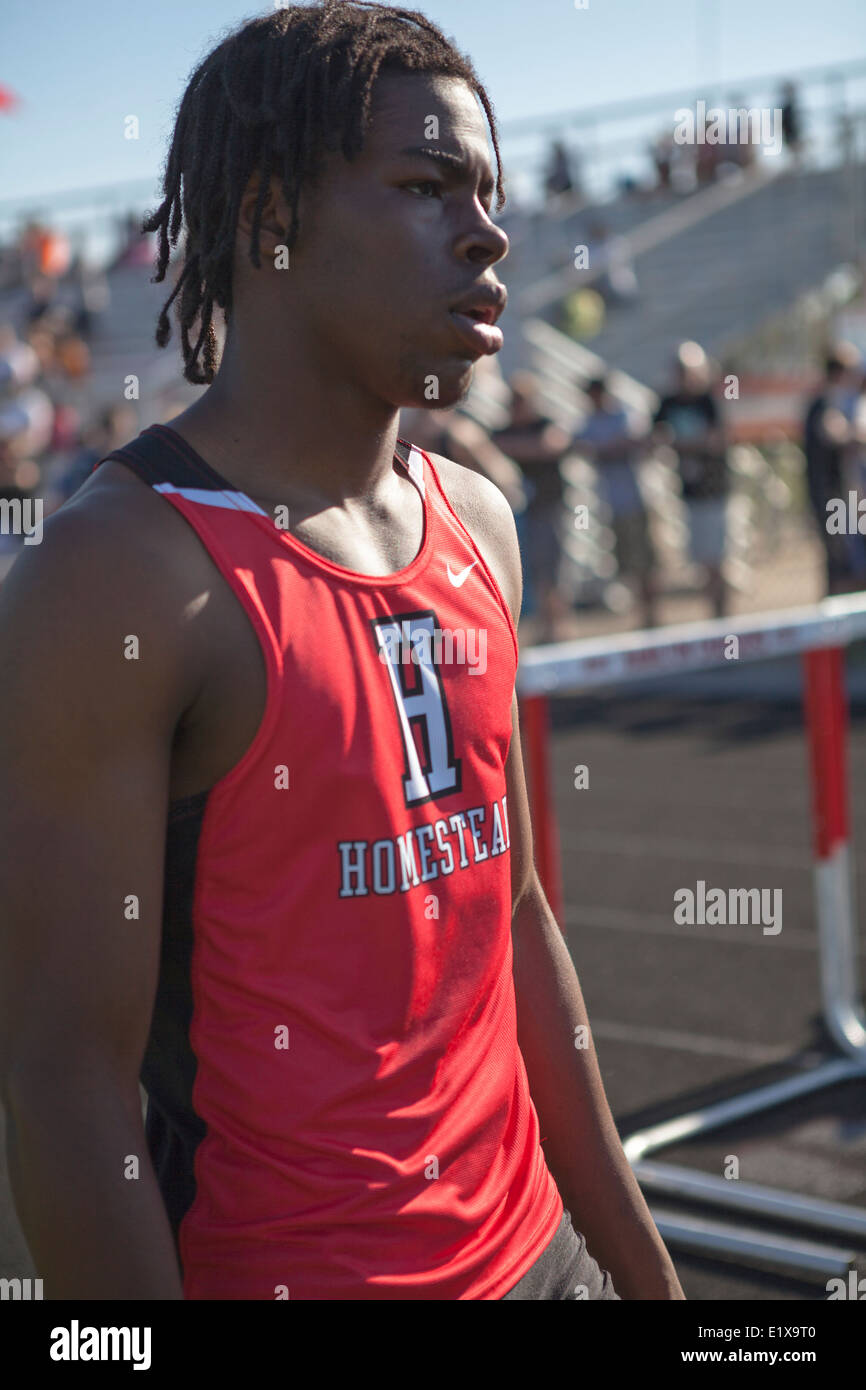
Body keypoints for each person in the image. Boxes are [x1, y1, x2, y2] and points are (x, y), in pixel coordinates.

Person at [0, 2, 683, 1303]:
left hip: (539, 1256)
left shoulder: (479, 519)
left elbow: (517, 920)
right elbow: (61, 1086)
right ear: (267, 214)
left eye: (486, 190)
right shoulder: (116, 575)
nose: (487, 230)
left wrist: (642, 1273)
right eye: (427, 186)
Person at [492, 370, 573, 643]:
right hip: (515, 517)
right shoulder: (502, 431)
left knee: (550, 569)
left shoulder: (544, 424)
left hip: (547, 509)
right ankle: (536, 628)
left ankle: (555, 626)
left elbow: (552, 445)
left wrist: (516, 448)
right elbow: (492, 448)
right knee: (524, 573)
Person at [653, 342, 730, 617]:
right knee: (701, 559)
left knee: (717, 557)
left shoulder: (708, 401)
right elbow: (656, 437)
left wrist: (682, 444)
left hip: (715, 488)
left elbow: (714, 440)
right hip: (689, 490)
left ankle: (722, 615)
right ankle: (715, 615)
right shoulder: (669, 402)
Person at [576, 377, 657, 628]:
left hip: (636, 499)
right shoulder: (589, 423)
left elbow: (637, 442)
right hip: (611, 504)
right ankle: (642, 615)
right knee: (628, 562)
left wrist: (605, 449)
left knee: (646, 559)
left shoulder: (624, 415)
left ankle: (652, 613)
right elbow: (580, 446)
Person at [803, 344, 865, 595]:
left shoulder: (833, 402)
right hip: (831, 498)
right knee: (840, 563)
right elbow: (836, 435)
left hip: (839, 496)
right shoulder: (825, 403)